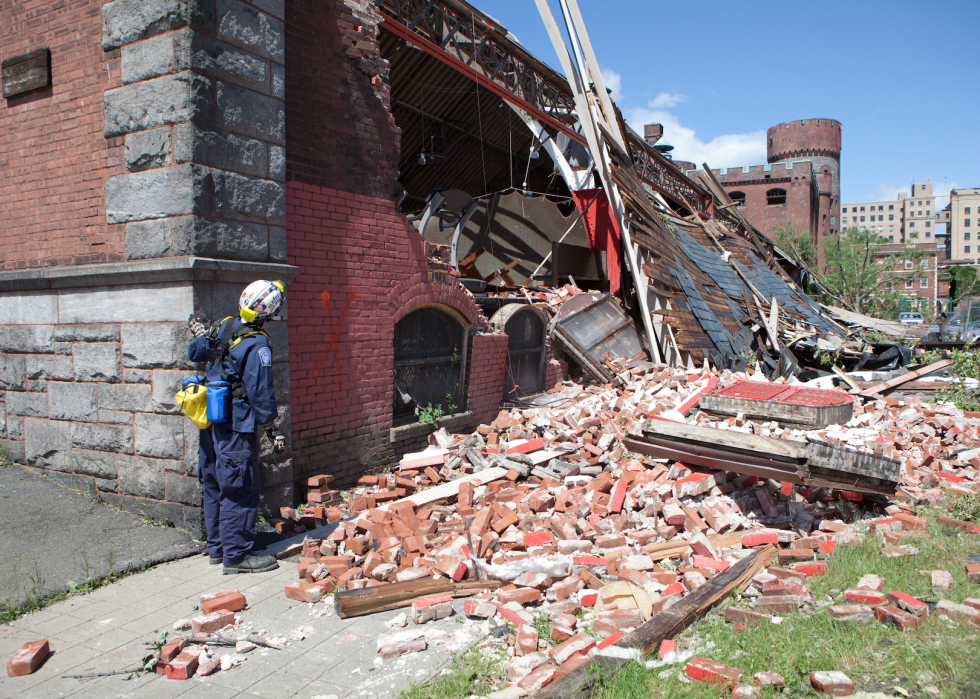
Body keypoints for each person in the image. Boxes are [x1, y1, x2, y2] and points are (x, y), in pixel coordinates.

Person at [187, 280, 287, 575]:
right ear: (268, 311)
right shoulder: (258, 344)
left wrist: (203, 334)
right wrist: (271, 427)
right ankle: (237, 556)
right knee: (239, 486)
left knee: (215, 483)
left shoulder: (223, 327)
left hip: (212, 420)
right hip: (237, 425)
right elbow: (260, 392)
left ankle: (218, 548)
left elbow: (195, 351)